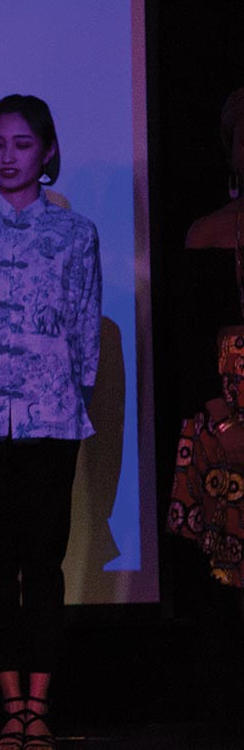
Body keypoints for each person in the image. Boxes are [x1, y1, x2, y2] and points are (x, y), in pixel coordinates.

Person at [0, 94, 101, 750]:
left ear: (47, 152)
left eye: (22, 144)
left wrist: (71, 393)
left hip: (51, 418)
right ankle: (12, 708)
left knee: (44, 564)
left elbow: (86, 325)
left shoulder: (75, 233)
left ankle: (41, 704)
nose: (8, 157)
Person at [169, 86, 244, 588]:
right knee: (228, 564)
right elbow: (190, 339)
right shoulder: (206, 232)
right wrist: (221, 420)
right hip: (224, 415)